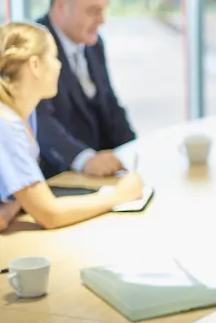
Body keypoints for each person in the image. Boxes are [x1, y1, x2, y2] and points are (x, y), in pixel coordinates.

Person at [0, 22, 144, 232]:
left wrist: (13, 206)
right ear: (35, 65)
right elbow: (50, 214)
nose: (59, 66)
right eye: (53, 57)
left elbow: (20, 195)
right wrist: (118, 196)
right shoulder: (7, 125)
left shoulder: (25, 115)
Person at [36, 0, 137, 178]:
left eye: (104, 9)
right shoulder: (35, 48)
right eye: (93, 11)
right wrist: (84, 159)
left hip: (103, 172)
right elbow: (40, 121)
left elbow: (109, 104)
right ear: (61, 6)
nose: (102, 21)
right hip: (61, 175)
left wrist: (135, 151)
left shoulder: (94, 43)